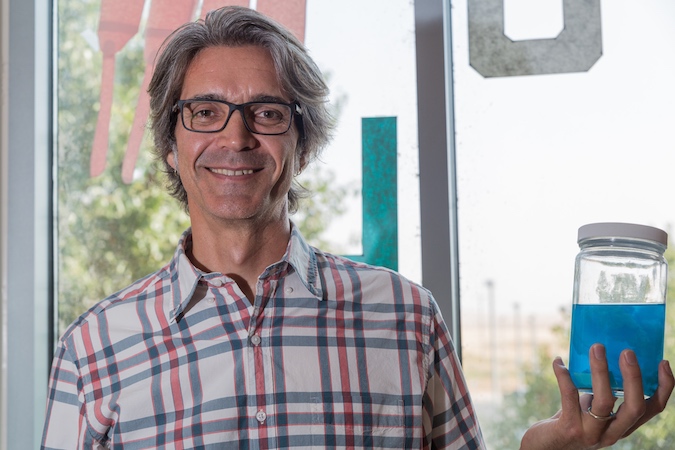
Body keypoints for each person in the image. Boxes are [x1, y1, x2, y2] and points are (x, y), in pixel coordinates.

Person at [41, 6, 674, 449]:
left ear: (304, 142)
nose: (235, 137)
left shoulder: (406, 317)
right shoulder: (92, 350)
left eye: (265, 112)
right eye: (205, 112)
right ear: (171, 145)